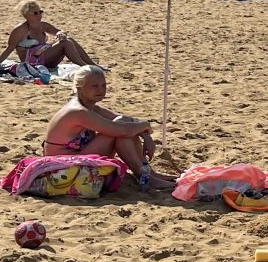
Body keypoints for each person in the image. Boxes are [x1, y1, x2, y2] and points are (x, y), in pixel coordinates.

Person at [42, 66, 174, 188]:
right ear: (79, 87)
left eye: (103, 85)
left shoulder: (90, 107)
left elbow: (128, 121)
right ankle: (145, 176)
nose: (100, 90)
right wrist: (146, 126)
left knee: (123, 125)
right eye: (94, 86)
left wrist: (146, 136)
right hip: (62, 166)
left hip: (77, 159)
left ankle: (149, 174)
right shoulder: (78, 111)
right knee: (121, 131)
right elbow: (121, 129)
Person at [0, 0, 96, 70]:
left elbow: (58, 31)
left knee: (69, 39)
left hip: (45, 57)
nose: (39, 15)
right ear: (27, 15)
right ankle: (85, 67)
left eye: (40, 12)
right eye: (35, 13)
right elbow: (9, 48)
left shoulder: (43, 25)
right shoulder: (20, 30)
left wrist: (60, 33)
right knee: (65, 43)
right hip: (31, 61)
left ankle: (92, 64)